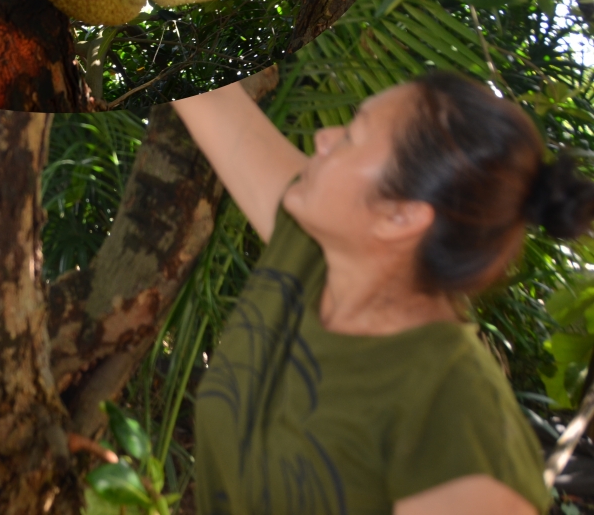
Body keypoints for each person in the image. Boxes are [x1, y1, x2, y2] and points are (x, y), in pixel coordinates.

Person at [172, 70, 594, 515]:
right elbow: (202, 92)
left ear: (400, 217)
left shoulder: (454, 419)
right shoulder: (313, 251)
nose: (324, 136)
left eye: (353, 135)